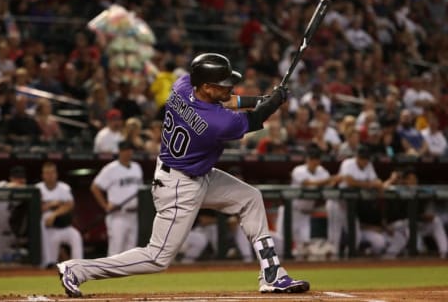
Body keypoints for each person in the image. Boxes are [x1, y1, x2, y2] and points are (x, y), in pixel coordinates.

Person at [57, 53, 309, 297]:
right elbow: (252, 121)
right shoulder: (217, 123)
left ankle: (272, 274)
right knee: (157, 257)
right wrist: (273, 102)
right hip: (180, 186)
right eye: (223, 85)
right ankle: (77, 269)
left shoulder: (183, 85)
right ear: (207, 87)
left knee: (250, 198)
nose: (229, 88)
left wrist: (263, 99)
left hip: (193, 174)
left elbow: (228, 101)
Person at [90, 140, 143, 256]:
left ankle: (129, 274)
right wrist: (105, 205)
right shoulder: (111, 168)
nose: (128, 152)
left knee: (131, 252)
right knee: (116, 250)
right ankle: (110, 274)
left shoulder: (137, 167)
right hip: (118, 215)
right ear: (119, 152)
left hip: (134, 214)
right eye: (125, 150)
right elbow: (95, 187)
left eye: (130, 150)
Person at [290, 144, 339, 259]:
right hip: (291, 213)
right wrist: (328, 180)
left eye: (317, 159)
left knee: (304, 245)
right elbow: (308, 183)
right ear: (307, 159)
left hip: (306, 213)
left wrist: (331, 181)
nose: (314, 162)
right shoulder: (298, 170)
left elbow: (329, 184)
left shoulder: (321, 171)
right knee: (283, 245)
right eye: (312, 159)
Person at [36, 162, 83, 268]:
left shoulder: (64, 188)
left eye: (52, 172)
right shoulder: (38, 188)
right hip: (49, 230)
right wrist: (53, 204)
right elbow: (36, 209)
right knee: (50, 262)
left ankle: (78, 267)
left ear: (56, 174)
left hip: (65, 226)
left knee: (76, 236)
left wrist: (54, 213)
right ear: (43, 175)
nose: (50, 175)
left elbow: (70, 205)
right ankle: (47, 265)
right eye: (47, 173)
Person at [0, 166, 28, 262]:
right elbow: (7, 186)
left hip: (11, 237)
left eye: (22, 178)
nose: (19, 181)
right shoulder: (2, 184)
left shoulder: (24, 194)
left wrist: (22, 187)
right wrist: (17, 185)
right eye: (17, 178)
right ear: (11, 178)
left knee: (11, 268)